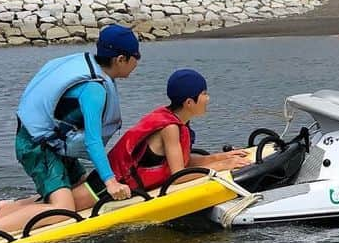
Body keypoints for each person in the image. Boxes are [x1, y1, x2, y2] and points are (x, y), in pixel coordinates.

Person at [0, 25, 140, 238]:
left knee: (79, 189)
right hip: (39, 147)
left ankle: (7, 210)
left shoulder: (88, 68)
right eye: (136, 56)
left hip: (48, 141)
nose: (138, 62)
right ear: (121, 59)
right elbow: (92, 140)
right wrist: (110, 181)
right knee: (64, 210)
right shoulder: (94, 89)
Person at [104, 68, 252, 191]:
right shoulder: (170, 128)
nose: (208, 98)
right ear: (189, 102)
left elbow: (182, 163)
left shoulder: (177, 119)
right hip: (104, 189)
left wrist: (221, 157)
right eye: (204, 94)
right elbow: (178, 176)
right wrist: (222, 166)